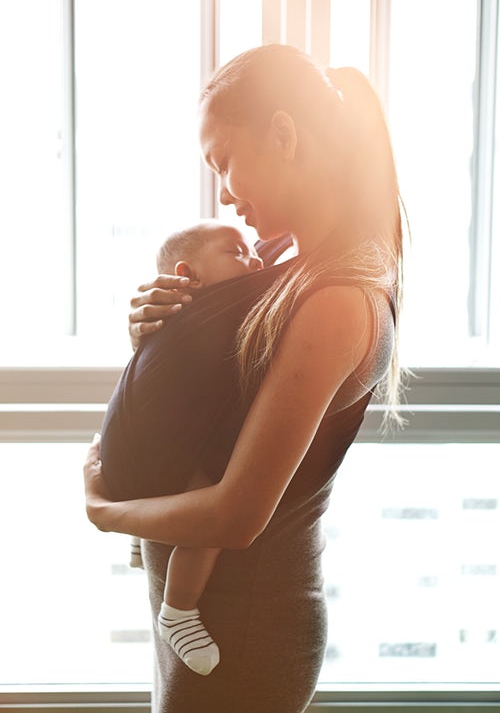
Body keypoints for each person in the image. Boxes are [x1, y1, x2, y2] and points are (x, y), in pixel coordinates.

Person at [84, 44, 405, 713]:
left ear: (284, 135)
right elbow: (218, 397)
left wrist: (107, 513)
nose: (223, 190)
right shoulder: (294, 272)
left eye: (224, 161)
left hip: (244, 632)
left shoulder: (337, 301)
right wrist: (157, 335)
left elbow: (236, 513)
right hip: (211, 615)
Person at [110, 219, 263, 675]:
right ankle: (178, 609)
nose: (255, 261)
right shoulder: (194, 314)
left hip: (147, 451)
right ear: (188, 275)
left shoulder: (196, 313)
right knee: (209, 519)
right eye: (237, 253)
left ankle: (142, 534)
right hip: (159, 451)